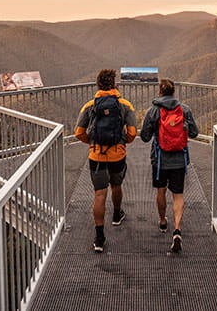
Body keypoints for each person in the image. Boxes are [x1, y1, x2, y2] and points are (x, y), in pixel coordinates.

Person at [75, 69, 137, 253]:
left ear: (98, 85)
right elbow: (133, 133)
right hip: (117, 154)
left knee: (99, 194)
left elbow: (79, 133)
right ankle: (117, 214)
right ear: (115, 84)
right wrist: (122, 142)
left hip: (96, 156)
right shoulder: (125, 105)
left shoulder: (90, 106)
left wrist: (92, 143)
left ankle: (99, 237)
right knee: (116, 186)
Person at [140, 79, 198, 253]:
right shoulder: (185, 110)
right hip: (179, 160)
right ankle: (177, 229)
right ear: (173, 92)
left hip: (159, 160)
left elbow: (144, 137)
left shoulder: (153, 111)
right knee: (178, 194)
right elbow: (194, 133)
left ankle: (163, 221)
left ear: (160, 92)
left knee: (161, 191)